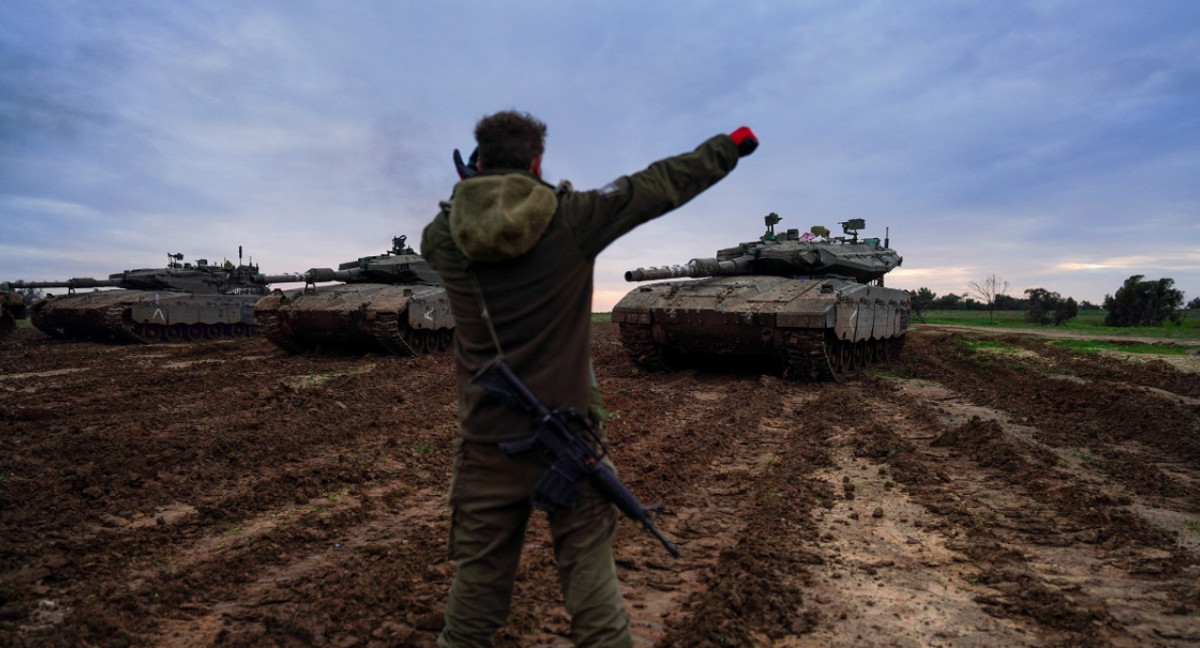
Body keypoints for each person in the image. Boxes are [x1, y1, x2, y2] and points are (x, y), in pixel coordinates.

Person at [421, 110, 757, 647]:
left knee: (473, 608)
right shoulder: (573, 218)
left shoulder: (442, 236)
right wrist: (731, 145)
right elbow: (658, 185)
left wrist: (472, 192)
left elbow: (457, 225)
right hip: (570, 440)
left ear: (476, 161)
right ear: (537, 162)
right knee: (593, 598)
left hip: (485, 446)